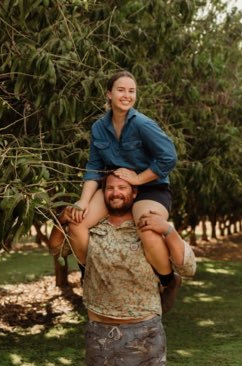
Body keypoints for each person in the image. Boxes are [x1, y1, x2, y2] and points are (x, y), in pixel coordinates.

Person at [49, 173, 196, 366]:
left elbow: (187, 268)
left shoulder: (149, 227)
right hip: (99, 333)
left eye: (122, 187)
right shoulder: (91, 228)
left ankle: (167, 285)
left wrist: (167, 229)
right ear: (103, 193)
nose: (115, 192)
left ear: (135, 192)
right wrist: (62, 220)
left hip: (144, 333)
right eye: (110, 188)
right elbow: (56, 250)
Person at [67, 70, 178, 298]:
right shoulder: (98, 127)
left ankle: (168, 282)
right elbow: (93, 167)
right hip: (115, 189)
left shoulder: (143, 124)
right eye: (121, 90)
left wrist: (138, 179)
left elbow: (169, 157)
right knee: (76, 223)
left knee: (148, 227)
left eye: (131, 91)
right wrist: (83, 201)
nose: (126, 95)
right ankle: (90, 276)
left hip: (150, 188)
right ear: (109, 94)